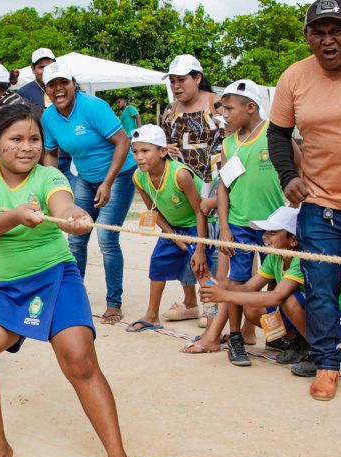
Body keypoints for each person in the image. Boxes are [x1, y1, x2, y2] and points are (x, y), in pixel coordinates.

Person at [0, 104, 142, 457]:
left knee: (80, 360)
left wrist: (75, 215)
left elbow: (64, 204)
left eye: (34, 140)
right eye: (16, 139)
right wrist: (15, 216)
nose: (27, 148)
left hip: (54, 277)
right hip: (6, 288)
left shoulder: (50, 175)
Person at [267, 0, 341, 400]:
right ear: (307, 36)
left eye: (336, 30)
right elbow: (278, 134)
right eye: (318, 32)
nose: (328, 40)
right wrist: (288, 176)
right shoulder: (294, 77)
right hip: (320, 205)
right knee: (321, 290)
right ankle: (327, 363)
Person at [199, 207, 341, 378]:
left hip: (336, 321)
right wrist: (218, 287)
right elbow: (247, 289)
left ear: (293, 239)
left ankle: (318, 353)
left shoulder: (303, 259)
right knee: (251, 308)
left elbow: (276, 297)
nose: (265, 236)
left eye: (272, 232)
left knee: (288, 300)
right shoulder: (276, 257)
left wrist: (225, 295)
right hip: (311, 314)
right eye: (266, 231)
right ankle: (300, 344)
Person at [41, 62, 137, 324]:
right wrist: (51, 183)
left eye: (63, 82)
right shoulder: (48, 117)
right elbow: (51, 152)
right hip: (84, 176)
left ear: (73, 83)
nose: (58, 89)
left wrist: (108, 183)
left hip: (118, 175)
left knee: (107, 237)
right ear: (46, 89)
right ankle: (74, 297)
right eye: (52, 85)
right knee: (76, 235)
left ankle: (113, 303)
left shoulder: (94, 107)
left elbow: (123, 142)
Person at [211, 80, 285, 366]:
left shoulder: (275, 134)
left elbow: (299, 168)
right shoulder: (229, 144)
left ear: (251, 107)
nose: (225, 115)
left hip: (274, 226)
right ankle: (236, 337)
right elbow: (223, 187)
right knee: (236, 281)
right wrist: (226, 226)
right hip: (240, 224)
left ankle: (278, 336)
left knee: (274, 281)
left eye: (229, 109)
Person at [126, 125, 209, 332]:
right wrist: (172, 236)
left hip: (197, 225)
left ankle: (211, 311)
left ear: (163, 151)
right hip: (172, 227)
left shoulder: (180, 175)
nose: (139, 157)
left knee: (201, 267)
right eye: (135, 151)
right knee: (158, 263)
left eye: (145, 151)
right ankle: (152, 315)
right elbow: (152, 211)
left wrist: (199, 247)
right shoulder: (138, 176)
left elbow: (200, 211)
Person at [160, 54, 223, 324]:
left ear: (197, 78)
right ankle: (190, 302)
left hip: (216, 181)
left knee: (215, 244)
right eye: (172, 81)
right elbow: (161, 144)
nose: (176, 86)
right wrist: (166, 149)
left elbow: (234, 136)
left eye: (181, 80)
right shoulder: (171, 110)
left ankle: (214, 303)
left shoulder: (216, 103)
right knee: (187, 241)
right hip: (183, 184)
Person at [17, 48, 74, 183]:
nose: (45, 70)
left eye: (49, 65)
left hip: (70, 153)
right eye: (41, 67)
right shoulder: (23, 92)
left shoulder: (67, 86)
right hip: (42, 154)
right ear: (33, 69)